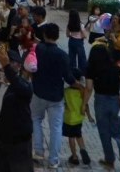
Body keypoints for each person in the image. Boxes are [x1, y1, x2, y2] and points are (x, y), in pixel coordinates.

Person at [30, 22, 79, 168]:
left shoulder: (38, 49)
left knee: (36, 120)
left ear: (44, 35)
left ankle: (38, 151)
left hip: (38, 92)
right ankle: (53, 159)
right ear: (57, 36)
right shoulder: (62, 55)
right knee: (56, 128)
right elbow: (69, 78)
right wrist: (80, 86)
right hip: (56, 96)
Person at [83, 42, 120, 169]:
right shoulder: (115, 68)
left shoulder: (91, 69)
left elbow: (89, 88)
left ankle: (109, 159)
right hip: (115, 102)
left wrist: (84, 104)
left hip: (100, 102)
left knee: (104, 132)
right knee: (119, 133)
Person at [0, 46, 33, 172]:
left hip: (19, 142)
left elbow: (19, 86)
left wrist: (6, 67)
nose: (9, 65)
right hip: (1, 140)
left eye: (12, 62)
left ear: (19, 66)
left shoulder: (24, 86)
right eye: (7, 61)